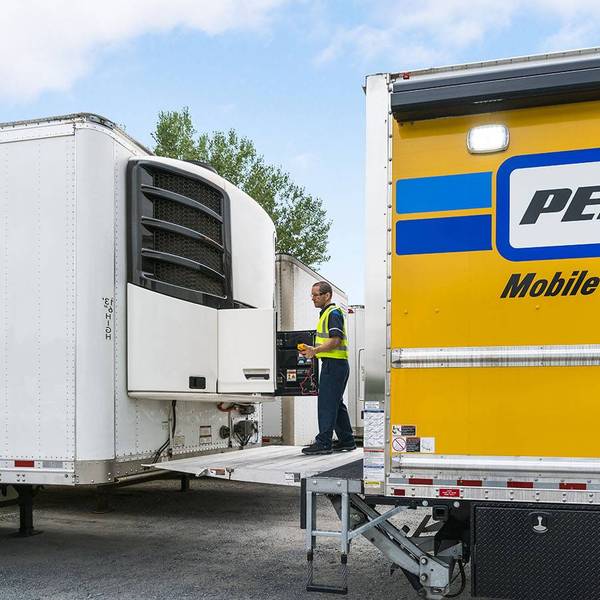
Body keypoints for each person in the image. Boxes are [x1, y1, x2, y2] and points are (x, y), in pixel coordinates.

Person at [300, 281, 356, 455]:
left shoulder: (333, 313)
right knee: (336, 404)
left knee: (326, 404)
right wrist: (313, 351)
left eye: (316, 295)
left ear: (327, 296)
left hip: (334, 365)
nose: (313, 298)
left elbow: (335, 340)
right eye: (312, 295)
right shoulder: (327, 313)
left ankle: (324, 443)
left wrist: (315, 350)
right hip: (335, 364)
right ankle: (347, 441)